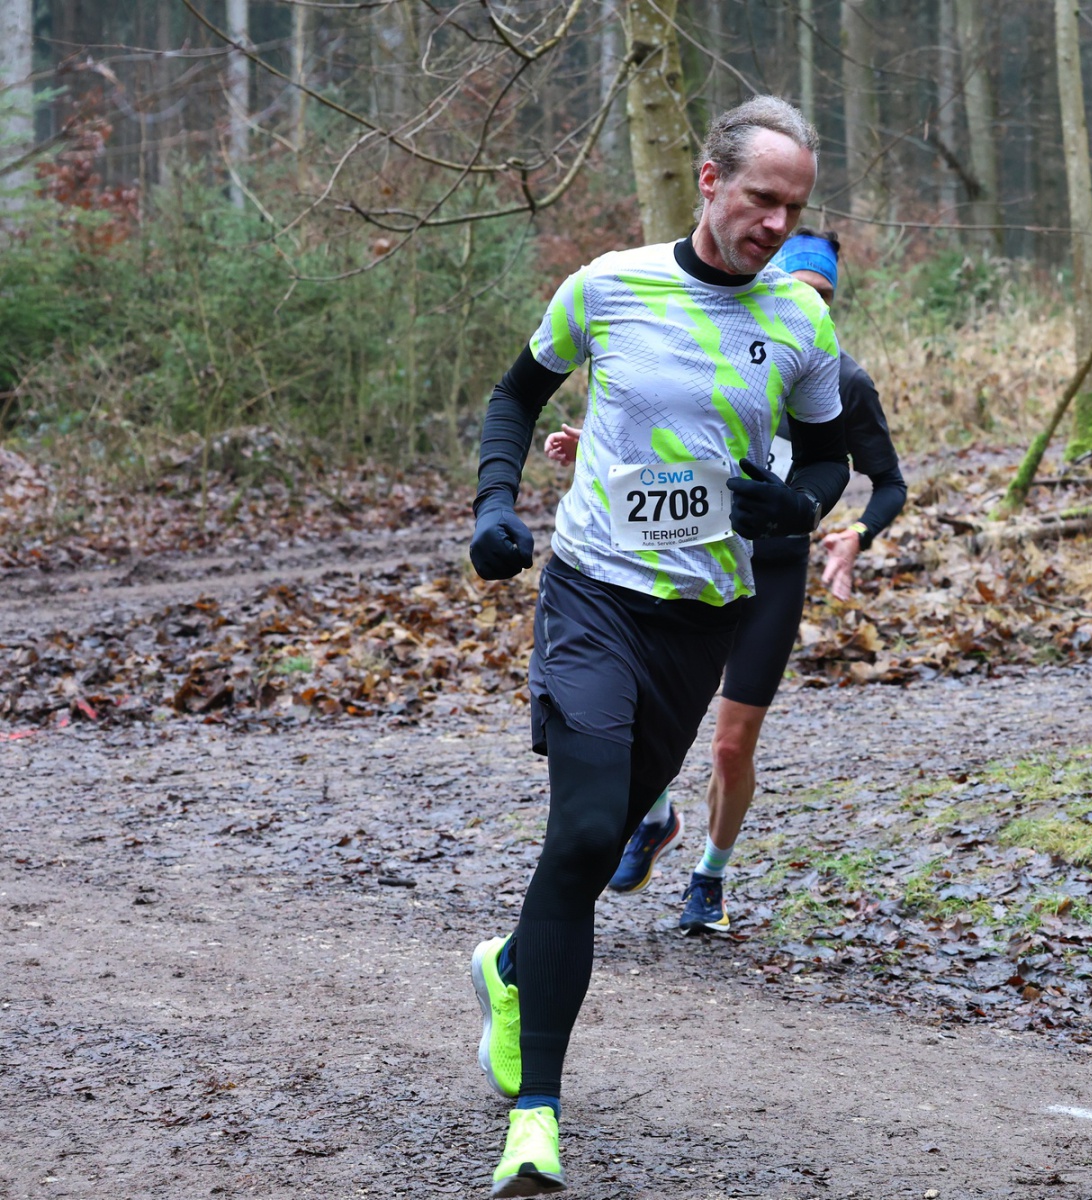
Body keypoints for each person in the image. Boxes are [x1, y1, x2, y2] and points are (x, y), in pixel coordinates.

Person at [463, 96, 849, 1198]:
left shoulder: (802, 321)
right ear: (710, 180)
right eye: (762, 198)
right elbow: (515, 395)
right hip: (594, 597)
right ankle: (535, 1118)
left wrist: (799, 506)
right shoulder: (609, 286)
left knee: (590, 856)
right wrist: (495, 504)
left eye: (795, 208)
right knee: (587, 830)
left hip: (702, 617)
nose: (777, 224)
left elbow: (831, 457)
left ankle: (511, 967)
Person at [544, 229, 905, 938]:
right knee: (637, 719)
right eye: (795, 286)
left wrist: (855, 534)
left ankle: (710, 876)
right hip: (688, 564)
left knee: (730, 747)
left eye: (822, 295)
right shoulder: (713, 346)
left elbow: (887, 482)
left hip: (773, 575)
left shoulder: (842, 380)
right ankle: (655, 818)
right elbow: (670, 455)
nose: (806, 302)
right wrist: (598, 455)